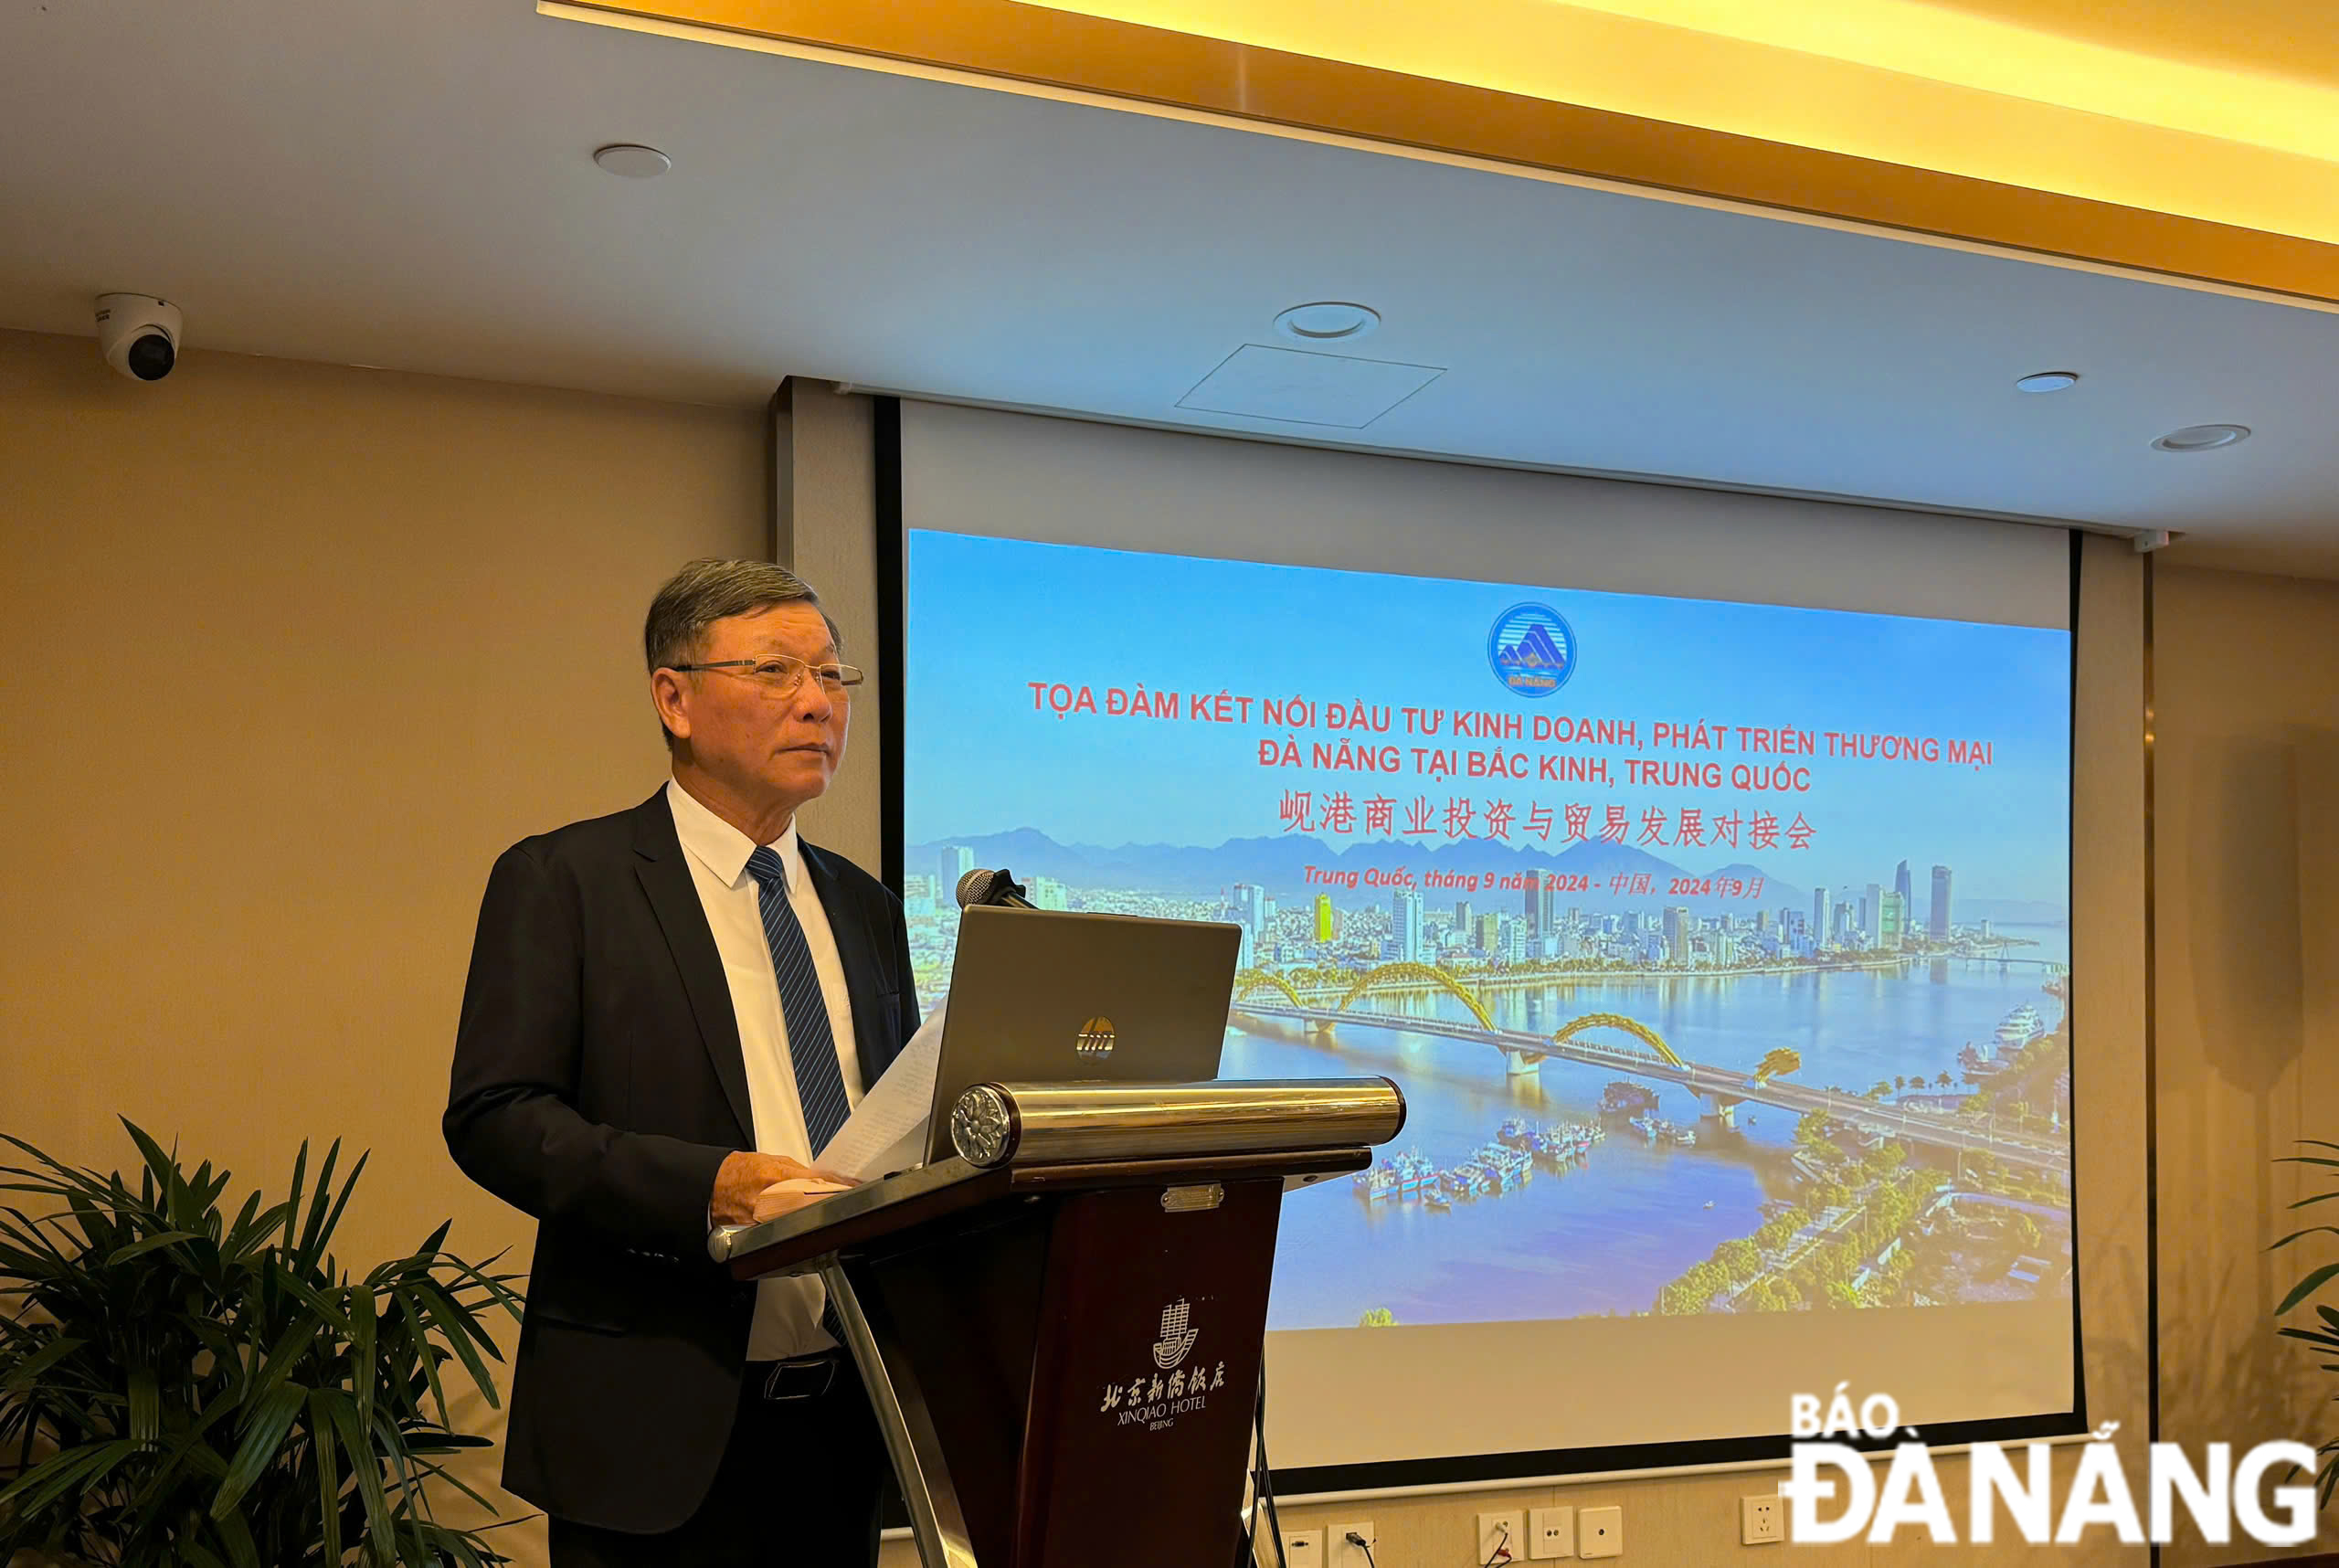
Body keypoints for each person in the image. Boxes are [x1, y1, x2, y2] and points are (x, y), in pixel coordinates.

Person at [445, 559, 916, 1567]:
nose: (816, 704)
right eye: (776, 672)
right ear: (675, 698)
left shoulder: (866, 908)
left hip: (848, 1418)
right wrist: (712, 1186)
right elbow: (496, 1115)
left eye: (833, 678)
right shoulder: (565, 881)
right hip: (652, 1422)